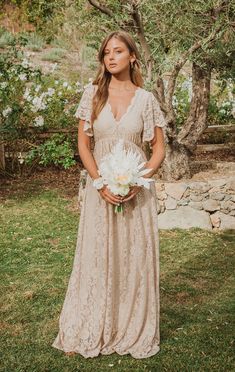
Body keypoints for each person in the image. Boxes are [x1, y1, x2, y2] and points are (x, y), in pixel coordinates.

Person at [52, 30, 166, 359]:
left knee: (132, 258)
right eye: (106, 53)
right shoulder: (92, 94)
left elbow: (158, 149)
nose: (111, 57)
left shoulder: (146, 100)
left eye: (118, 51)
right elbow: (84, 145)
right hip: (98, 191)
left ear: (132, 56)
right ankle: (95, 319)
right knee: (97, 254)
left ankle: (130, 324)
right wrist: (100, 182)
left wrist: (136, 180)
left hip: (136, 195)